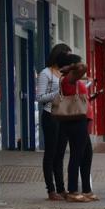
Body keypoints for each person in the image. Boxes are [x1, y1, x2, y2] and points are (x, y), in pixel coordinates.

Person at [57, 53, 97, 203]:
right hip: (75, 121)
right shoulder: (68, 78)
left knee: (86, 154)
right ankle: (73, 190)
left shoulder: (73, 79)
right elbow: (83, 67)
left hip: (81, 119)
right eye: (77, 63)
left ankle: (86, 189)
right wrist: (72, 66)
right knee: (76, 155)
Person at [36, 43, 71, 200]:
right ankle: (51, 189)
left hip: (64, 115)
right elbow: (40, 98)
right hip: (51, 115)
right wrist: (59, 92)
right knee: (50, 152)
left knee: (60, 153)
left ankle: (61, 188)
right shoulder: (46, 73)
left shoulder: (65, 73)